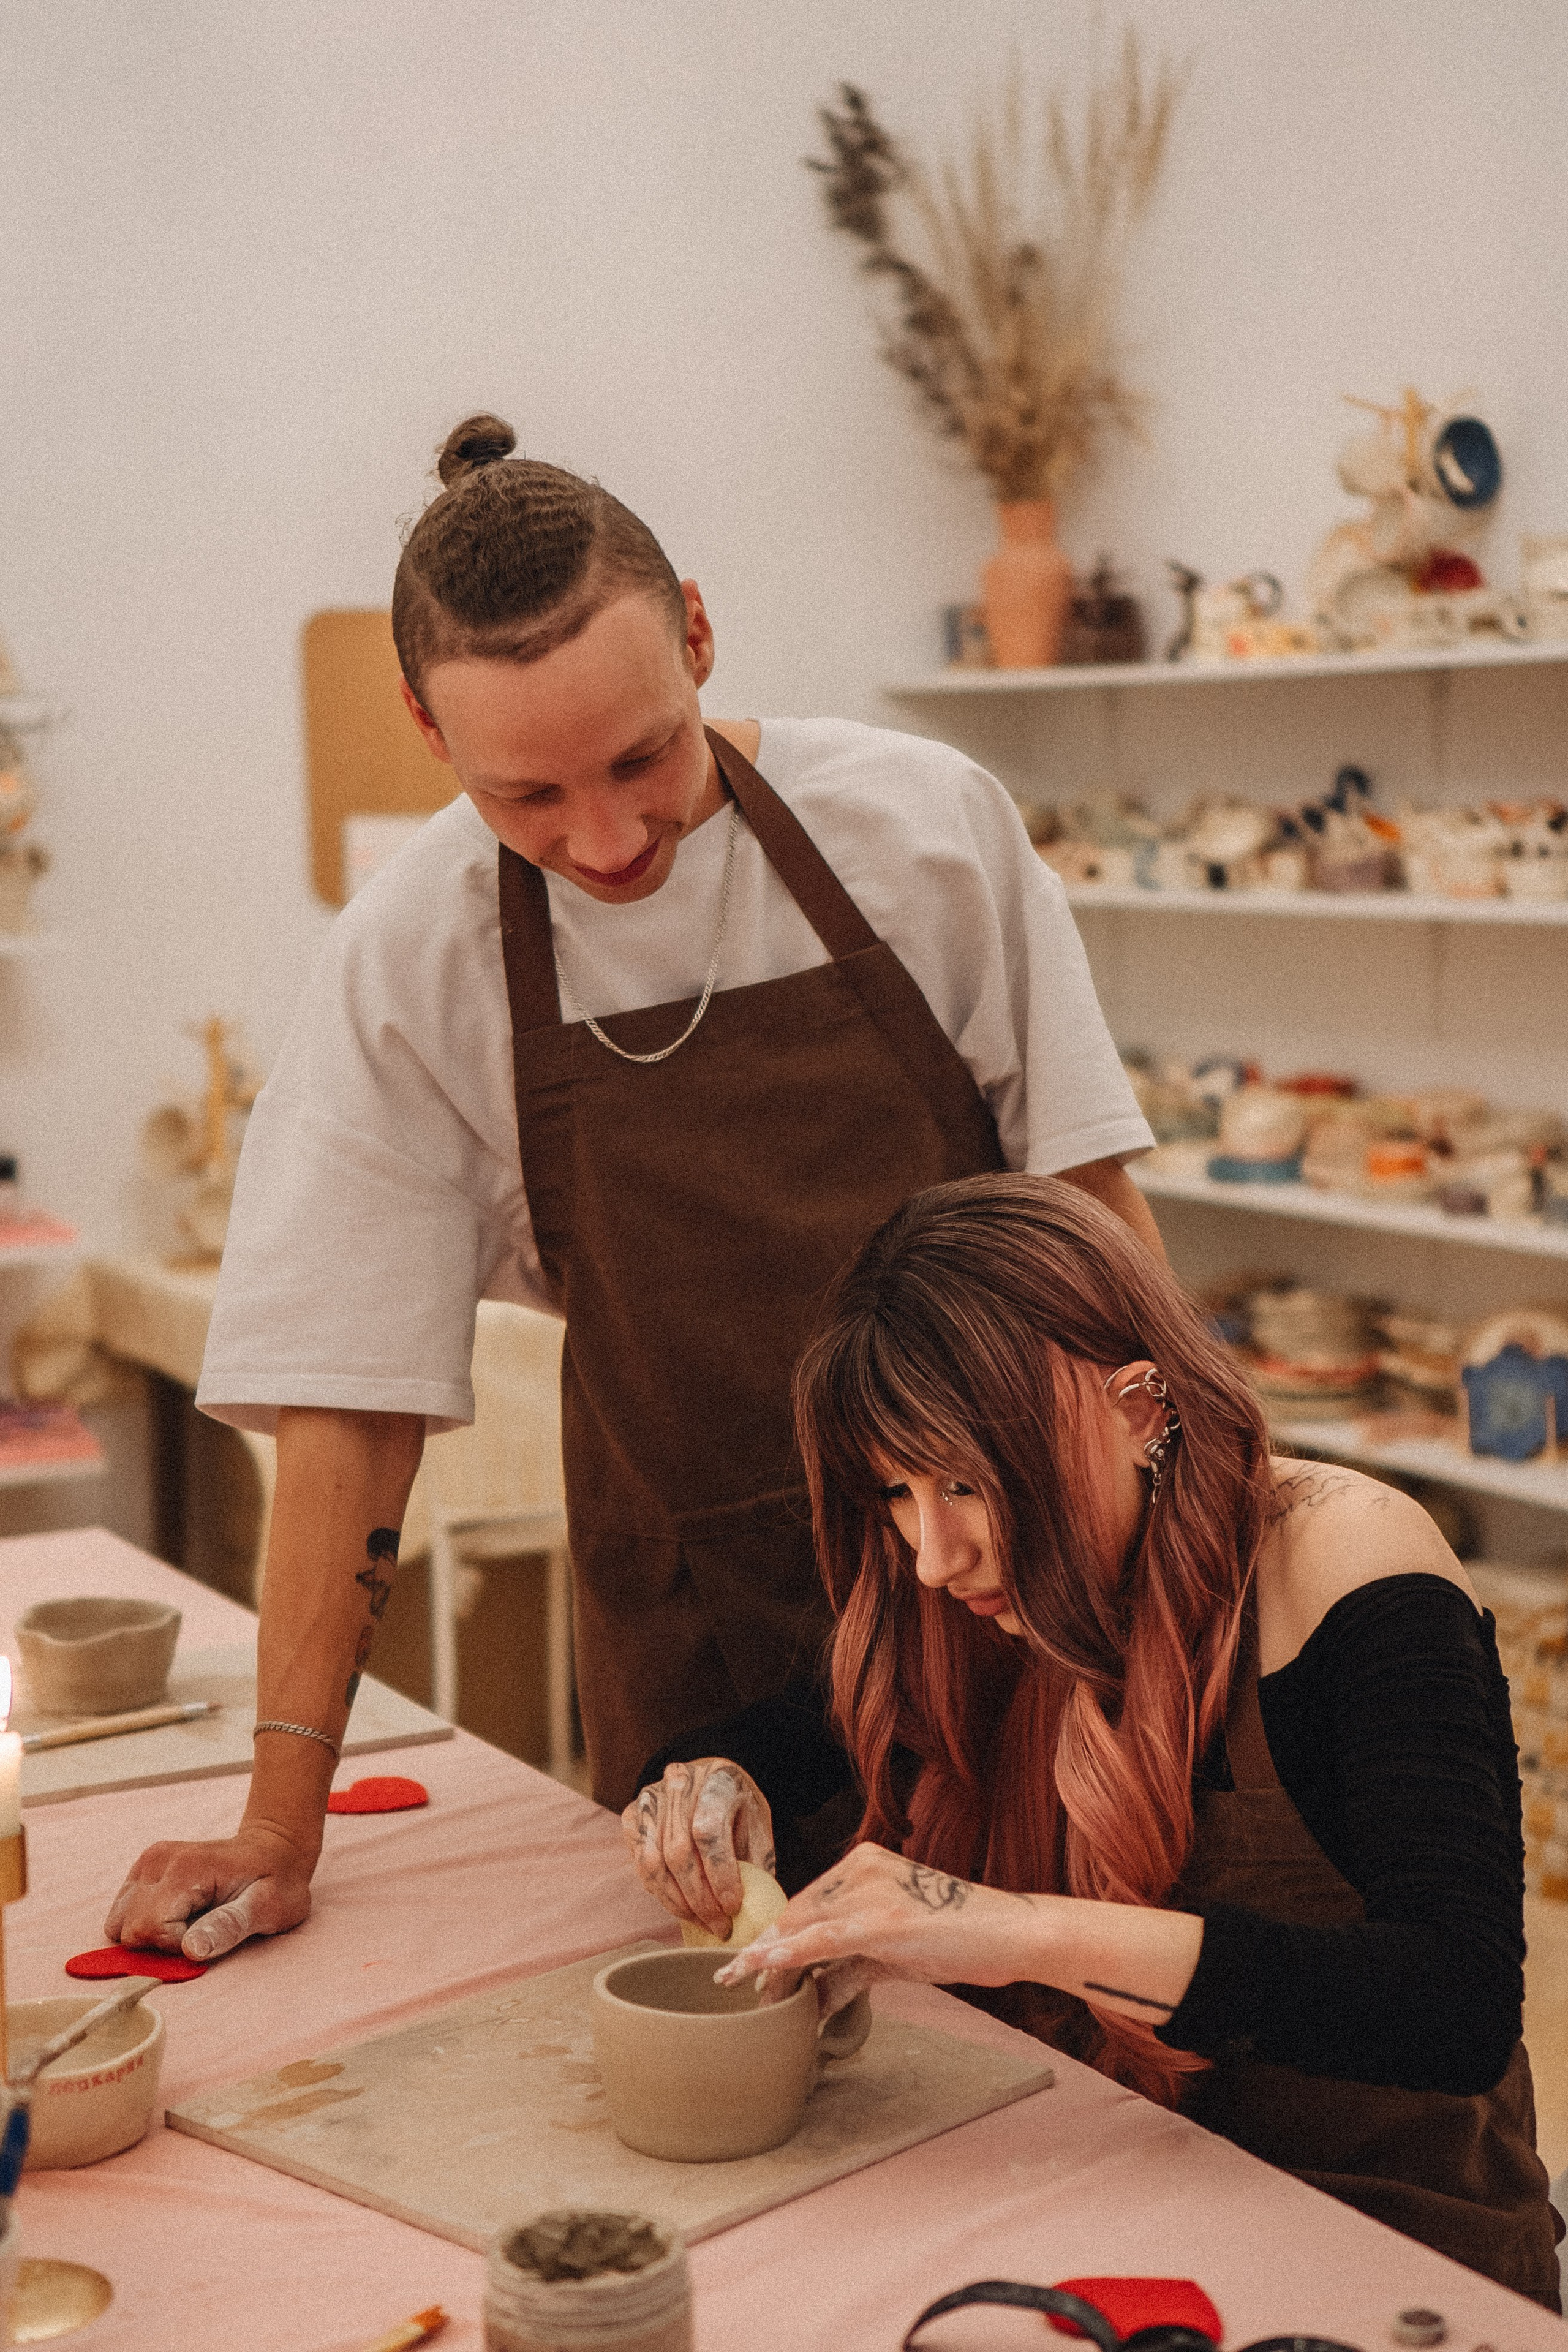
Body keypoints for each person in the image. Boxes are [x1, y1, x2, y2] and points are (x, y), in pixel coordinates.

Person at [106, 416, 1157, 1963]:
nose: (604, 842)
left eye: (641, 756)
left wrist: (1205, 1558)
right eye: (526, 797)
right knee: (747, 2041)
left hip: (1020, 1586)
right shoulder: (415, 965)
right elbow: (351, 1405)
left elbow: (1093, 1226)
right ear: (424, 726)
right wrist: (279, 1818)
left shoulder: (922, 833)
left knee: (1075, 2035)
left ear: (700, 636)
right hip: (706, 1646)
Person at [627, 1173, 1561, 2306]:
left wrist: (1012, 1930)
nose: (932, 1555)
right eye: (896, 1492)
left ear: (1139, 1409)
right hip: (1101, 2190)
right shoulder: (970, 1595)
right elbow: (763, 1745)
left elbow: (1451, 2006)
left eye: (967, 1482)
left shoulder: (1344, 1560)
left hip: (1379, 2241)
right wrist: (710, 1791)